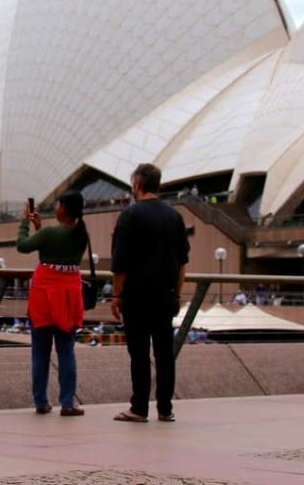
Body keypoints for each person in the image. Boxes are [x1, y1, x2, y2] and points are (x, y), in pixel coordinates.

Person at [110, 163, 190, 423]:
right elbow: (182, 261)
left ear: (138, 183)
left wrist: (116, 295)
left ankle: (139, 408)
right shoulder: (174, 216)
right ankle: (165, 408)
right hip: (165, 295)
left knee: (140, 354)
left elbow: (120, 263)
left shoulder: (130, 216)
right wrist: (177, 293)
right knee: (165, 353)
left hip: (136, 296)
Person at [16, 190, 89, 417]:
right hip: (69, 294)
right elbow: (57, 248)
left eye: (58, 205)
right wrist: (41, 229)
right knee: (66, 350)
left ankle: (41, 401)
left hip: (44, 294)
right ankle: (67, 403)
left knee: (40, 352)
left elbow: (23, 246)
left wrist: (24, 222)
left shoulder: (50, 232)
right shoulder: (81, 234)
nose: (56, 209)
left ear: (64, 208)